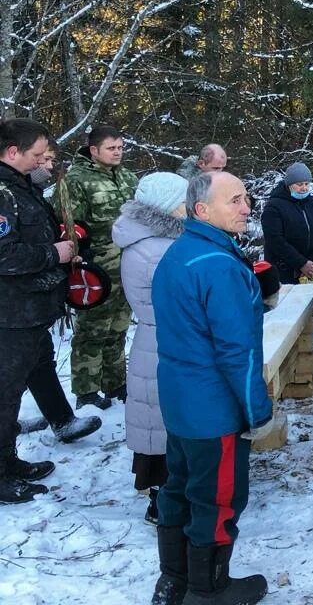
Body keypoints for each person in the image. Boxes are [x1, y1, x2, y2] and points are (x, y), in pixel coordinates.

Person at [151, 171, 271, 605]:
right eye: (234, 200)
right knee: (217, 499)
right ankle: (208, 590)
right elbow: (237, 352)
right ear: (202, 210)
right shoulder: (217, 265)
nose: (246, 208)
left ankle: (174, 580)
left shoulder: (181, 252)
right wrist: (257, 409)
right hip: (212, 406)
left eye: (245, 198)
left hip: (181, 400)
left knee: (180, 486)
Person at [0, 119, 100, 505]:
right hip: (11, 313)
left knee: (37, 367)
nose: (45, 160)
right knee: (6, 394)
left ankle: (13, 460)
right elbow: (4, 253)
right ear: (13, 152)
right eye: (38, 154)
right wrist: (52, 254)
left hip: (30, 309)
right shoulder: (3, 193)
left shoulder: (21, 187)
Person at [113, 172, 188, 525]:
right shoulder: (158, 248)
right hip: (166, 341)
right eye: (183, 201)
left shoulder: (148, 240)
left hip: (154, 339)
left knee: (156, 424)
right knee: (163, 425)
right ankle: (163, 502)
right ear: (167, 205)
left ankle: (161, 495)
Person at [59, 124, 139, 410]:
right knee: (92, 330)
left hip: (127, 264)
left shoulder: (128, 177)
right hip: (96, 269)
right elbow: (70, 226)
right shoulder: (76, 180)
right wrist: (81, 259)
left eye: (120, 147)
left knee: (118, 327)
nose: (117, 153)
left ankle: (115, 383)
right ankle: (87, 391)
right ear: (94, 151)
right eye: (111, 148)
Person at [260, 162, 313, 286]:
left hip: (312, 269)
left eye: (306, 184)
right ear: (289, 185)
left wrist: (312, 263)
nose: (304, 188)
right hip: (284, 271)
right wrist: (301, 263)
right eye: (299, 184)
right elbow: (275, 240)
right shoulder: (274, 207)